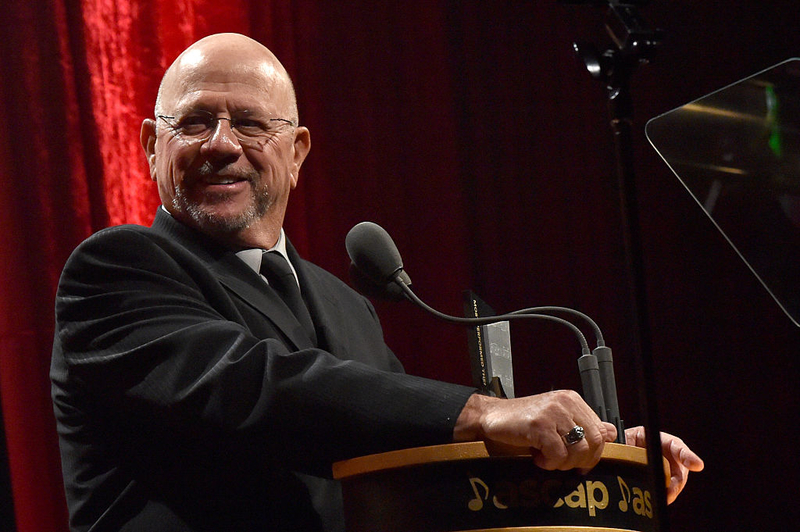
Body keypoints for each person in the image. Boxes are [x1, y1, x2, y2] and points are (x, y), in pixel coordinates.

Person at [51, 33, 703, 532]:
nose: (221, 143)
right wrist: (486, 411)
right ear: (148, 146)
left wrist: (601, 449)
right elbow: (258, 386)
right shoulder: (116, 271)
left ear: (298, 150)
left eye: (250, 122)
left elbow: (416, 460)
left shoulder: (347, 305)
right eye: (194, 122)